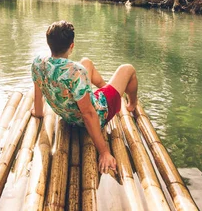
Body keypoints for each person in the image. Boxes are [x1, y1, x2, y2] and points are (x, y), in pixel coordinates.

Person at [30, 20, 139, 175]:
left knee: (86, 62)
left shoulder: (38, 63)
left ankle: (107, 87)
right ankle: (132, 104)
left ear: (49, 43)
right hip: (98, 112)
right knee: (128, 69)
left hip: (69, 114)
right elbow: (88, 114)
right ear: (71, 46)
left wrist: (38, 112)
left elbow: (38, 90)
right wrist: (104, 152)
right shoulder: (76, 72)